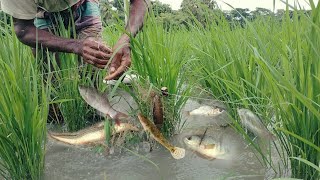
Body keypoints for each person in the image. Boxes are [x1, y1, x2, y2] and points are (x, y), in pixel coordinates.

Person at [0, 0, 148, 80]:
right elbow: (23, 29)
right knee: (52, 83)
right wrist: (77, 46)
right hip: (43, 15)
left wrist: (126, 39)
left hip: (84, 5)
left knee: (93, 71)